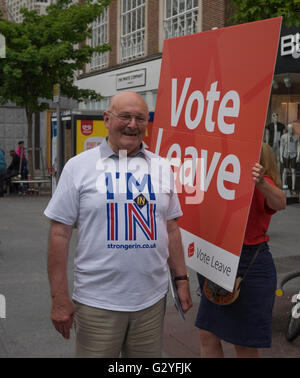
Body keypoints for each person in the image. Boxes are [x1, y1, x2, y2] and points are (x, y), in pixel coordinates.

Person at [44, 91, 193, 358]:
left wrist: (181, 280)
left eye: (140, 118)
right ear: (107, 119)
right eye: (124, 116)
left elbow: (171, 228)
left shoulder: (161, 167)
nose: (132, 125)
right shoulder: (78, 167)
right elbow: (59, 234)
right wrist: (59, 298)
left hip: (151, 302)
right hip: (97, 303)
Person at [195, 142, 286, 358]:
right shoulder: (225, 178)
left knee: (242, 342)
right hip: (218, 256)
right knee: (207, 333)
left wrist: (261, 182)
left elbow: (280, 202)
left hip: (248, 264)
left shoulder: (261, 182)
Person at [280, 124, 300, 195]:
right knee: (285, 170)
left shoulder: (297, 137)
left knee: (293, 171)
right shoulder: (283, 136)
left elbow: (298, 146)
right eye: (289, 128)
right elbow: (281, 146)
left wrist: (298, 156)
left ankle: (293, 188)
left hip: (293, 154)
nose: (291, 130)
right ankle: (283, 186)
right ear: (287, 129)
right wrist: (280, 156)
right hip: (285, 154)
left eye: (292, 128)